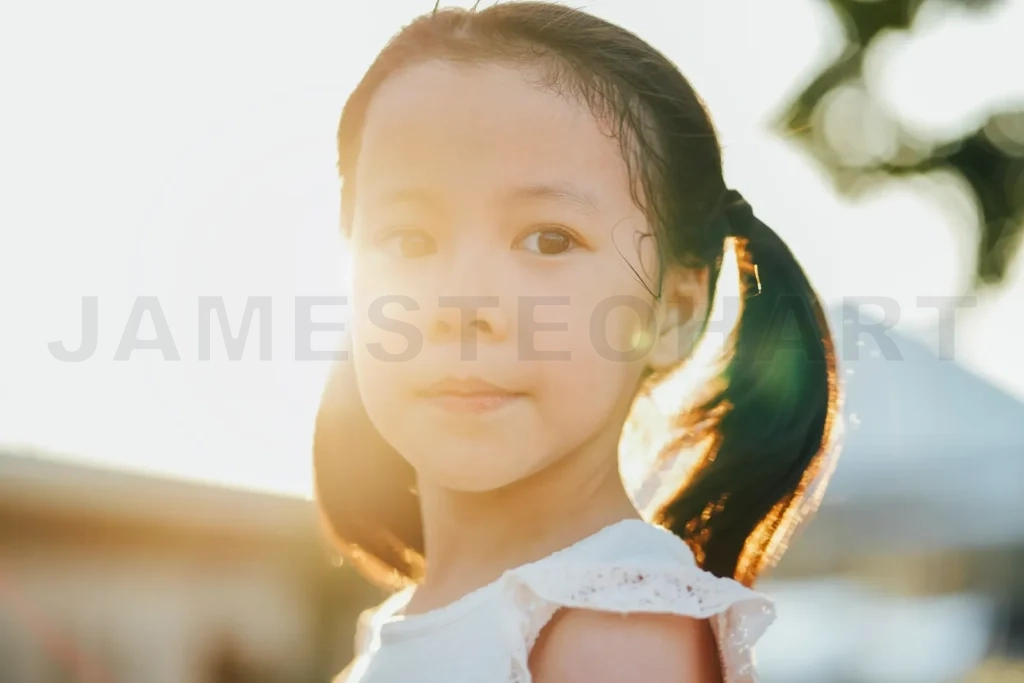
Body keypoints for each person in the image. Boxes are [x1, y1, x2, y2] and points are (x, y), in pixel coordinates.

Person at [313, 3, 840, 681]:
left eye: (549, 239)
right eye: (408, 239)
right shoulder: (417, 621)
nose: (463, 302)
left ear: (674, 309)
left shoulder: (617, 630)